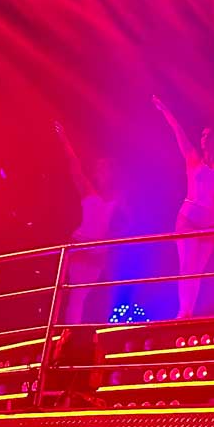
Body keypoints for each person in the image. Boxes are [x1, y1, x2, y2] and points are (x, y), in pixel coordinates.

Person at [152, 96, 214, 319]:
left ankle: (189, 311)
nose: (204, 138)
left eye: (209, 135)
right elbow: (178, 132)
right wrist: (165, 110)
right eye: (202, 135)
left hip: (211, 222)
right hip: (188, 217)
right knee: (187, 265)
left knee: (198, 270)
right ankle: (183, 312)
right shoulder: (193, 159)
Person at [52, 121, 124, 325]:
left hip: (100, 248)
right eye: (100, 167)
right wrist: (64, 139)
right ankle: (68, 335)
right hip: (82, 243)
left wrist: (107, 245)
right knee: (76, 296)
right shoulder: (88, 189)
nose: (103, 170)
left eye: (107, 167)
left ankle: (78, 333)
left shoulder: (118, 196)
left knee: (84, 297)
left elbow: (122, 224)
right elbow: (74, 165)